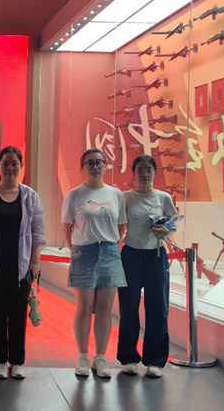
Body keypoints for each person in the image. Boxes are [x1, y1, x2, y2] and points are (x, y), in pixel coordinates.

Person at [0, 146, 45, 379]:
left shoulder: (30, 196)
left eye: (14, 164)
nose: (10, 168)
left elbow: (38, 231)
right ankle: (0, 360)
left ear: (21, 166)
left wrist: (35, 260)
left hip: (21, 265)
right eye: (5, 163)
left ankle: (17, 361)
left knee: (18, 313)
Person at [62, 148, 127, 378]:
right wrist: (74, 249)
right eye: (90, 163)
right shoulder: (74, 195)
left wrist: (113, 244)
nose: (95, 167)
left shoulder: (116, 194)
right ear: (83, 167)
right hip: (84, 252)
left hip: (110, 252)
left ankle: (100, 357)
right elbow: (67, 226)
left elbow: (122, 225)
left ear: (106, 165)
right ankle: (83, 356)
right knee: (84, 306)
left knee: (104, 309)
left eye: (99, 162)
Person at [117, 154, 177, 378]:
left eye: (148, 169)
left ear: (154, 172)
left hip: (156, 256)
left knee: (158, 308)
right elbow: (118, 225)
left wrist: (166, 231)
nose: (144, 174)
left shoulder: (163, 198)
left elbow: (172, 224)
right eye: (140, 170)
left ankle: (155, 361)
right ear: (133, 173)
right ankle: (128, 358)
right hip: (130, 256)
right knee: (128, 307)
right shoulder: (125, 197)